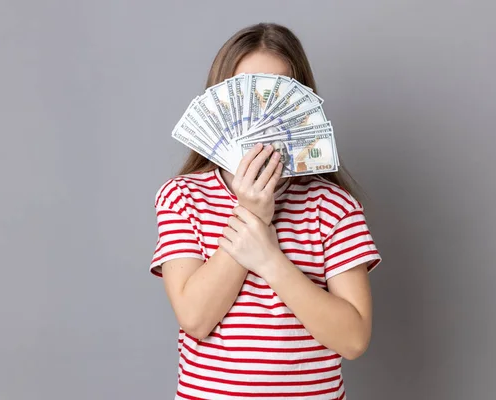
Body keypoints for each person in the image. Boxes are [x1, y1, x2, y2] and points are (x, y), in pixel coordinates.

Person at [150, 22, 382, 400]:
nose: (260, 118)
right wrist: (252, 215)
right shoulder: (182, 197)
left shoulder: (333, 207)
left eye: (276, 95)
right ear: (220, 103)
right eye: (246, 93)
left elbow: (353, 340)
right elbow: (196, 318)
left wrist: (271, 259)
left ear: (300, 107)